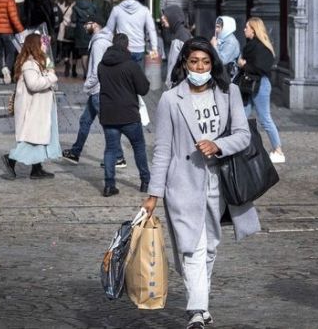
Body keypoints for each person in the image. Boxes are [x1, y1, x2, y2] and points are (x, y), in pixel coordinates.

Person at [142, 37, 260, 329]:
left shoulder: (228, 92)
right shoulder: (170, 99)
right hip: (181, 182)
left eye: (206, 62)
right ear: (184, 64)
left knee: (210, 247)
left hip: (219, 181)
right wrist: (153, 193)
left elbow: (243, 135)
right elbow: (162, 150)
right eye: (194, 61)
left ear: (213, 64)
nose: (200, 67)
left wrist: (218, 145)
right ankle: (196, 311)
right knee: (191, 246)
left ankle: (201, 304)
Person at [61, 13, 127, 168]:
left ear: (95, 24)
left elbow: (97, 69)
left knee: (108, 125)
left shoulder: (98, 44)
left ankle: (118, 157)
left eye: (87, 23)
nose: (84, 26)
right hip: (98, 90)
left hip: (98, 90)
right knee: (85, 121)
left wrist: (86, 86)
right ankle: (75, 153)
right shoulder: (101, 41)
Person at [98, 33, 150, 196]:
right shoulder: (131, 65)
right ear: (127, 46)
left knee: (110, 150)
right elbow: (143, 88)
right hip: (129, 114)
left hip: (108, 114)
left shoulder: (102, 64)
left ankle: (109, 185)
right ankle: (145, 181)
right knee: (139, 147)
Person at [2, 34, 60, 179]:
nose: (43, 46)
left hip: (39, 107)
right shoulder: (30, 64)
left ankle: (36, 168)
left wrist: (48, 64)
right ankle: (11, 158)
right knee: (31, 139)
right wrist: (51, 77)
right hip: (33, 109)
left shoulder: (37, 62)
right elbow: (34, 85)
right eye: (41, 43)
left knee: (39, 138)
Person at [236, 17, 285, 164]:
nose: (244, 29)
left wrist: (243, 64)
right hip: (248, 85)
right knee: (242, 117)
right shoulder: (251, 45)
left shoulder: (262, 48)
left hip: (260, 85)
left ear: (254, 29)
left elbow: (261, 68)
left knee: (265, 119)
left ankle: (278, 150)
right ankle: (240, 148)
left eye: (247, 27)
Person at [104, 0, 158, 70]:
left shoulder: (117, 9)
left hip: (121, 49)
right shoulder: (144, 10)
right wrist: (154, 48)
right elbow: (151, 30)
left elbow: (109, 29)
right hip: (139, 49)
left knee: (122, 78)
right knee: (137, 78)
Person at [162, 5, 192, 88]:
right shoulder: (181, 33)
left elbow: (174, 63)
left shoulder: (180, 37)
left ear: (173, 17)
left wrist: (170, 82)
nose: (162, 18)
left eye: (166, 16)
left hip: (177, 84)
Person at [70, 0, 97, 78]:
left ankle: (86, 73)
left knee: (83, 53)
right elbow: (96, 17)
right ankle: (90, 72)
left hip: (80, 30)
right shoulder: (92, 5)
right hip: (90, 28)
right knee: (90, 52)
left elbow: (73, 19)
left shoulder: (76, 5)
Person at [56, 0, 78, 77]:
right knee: (75, 50)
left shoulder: (60, 4)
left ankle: (66, 65)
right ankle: (74, 68)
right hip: (73, 29)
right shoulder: (75, 5)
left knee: (66, 50)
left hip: (63, 29)